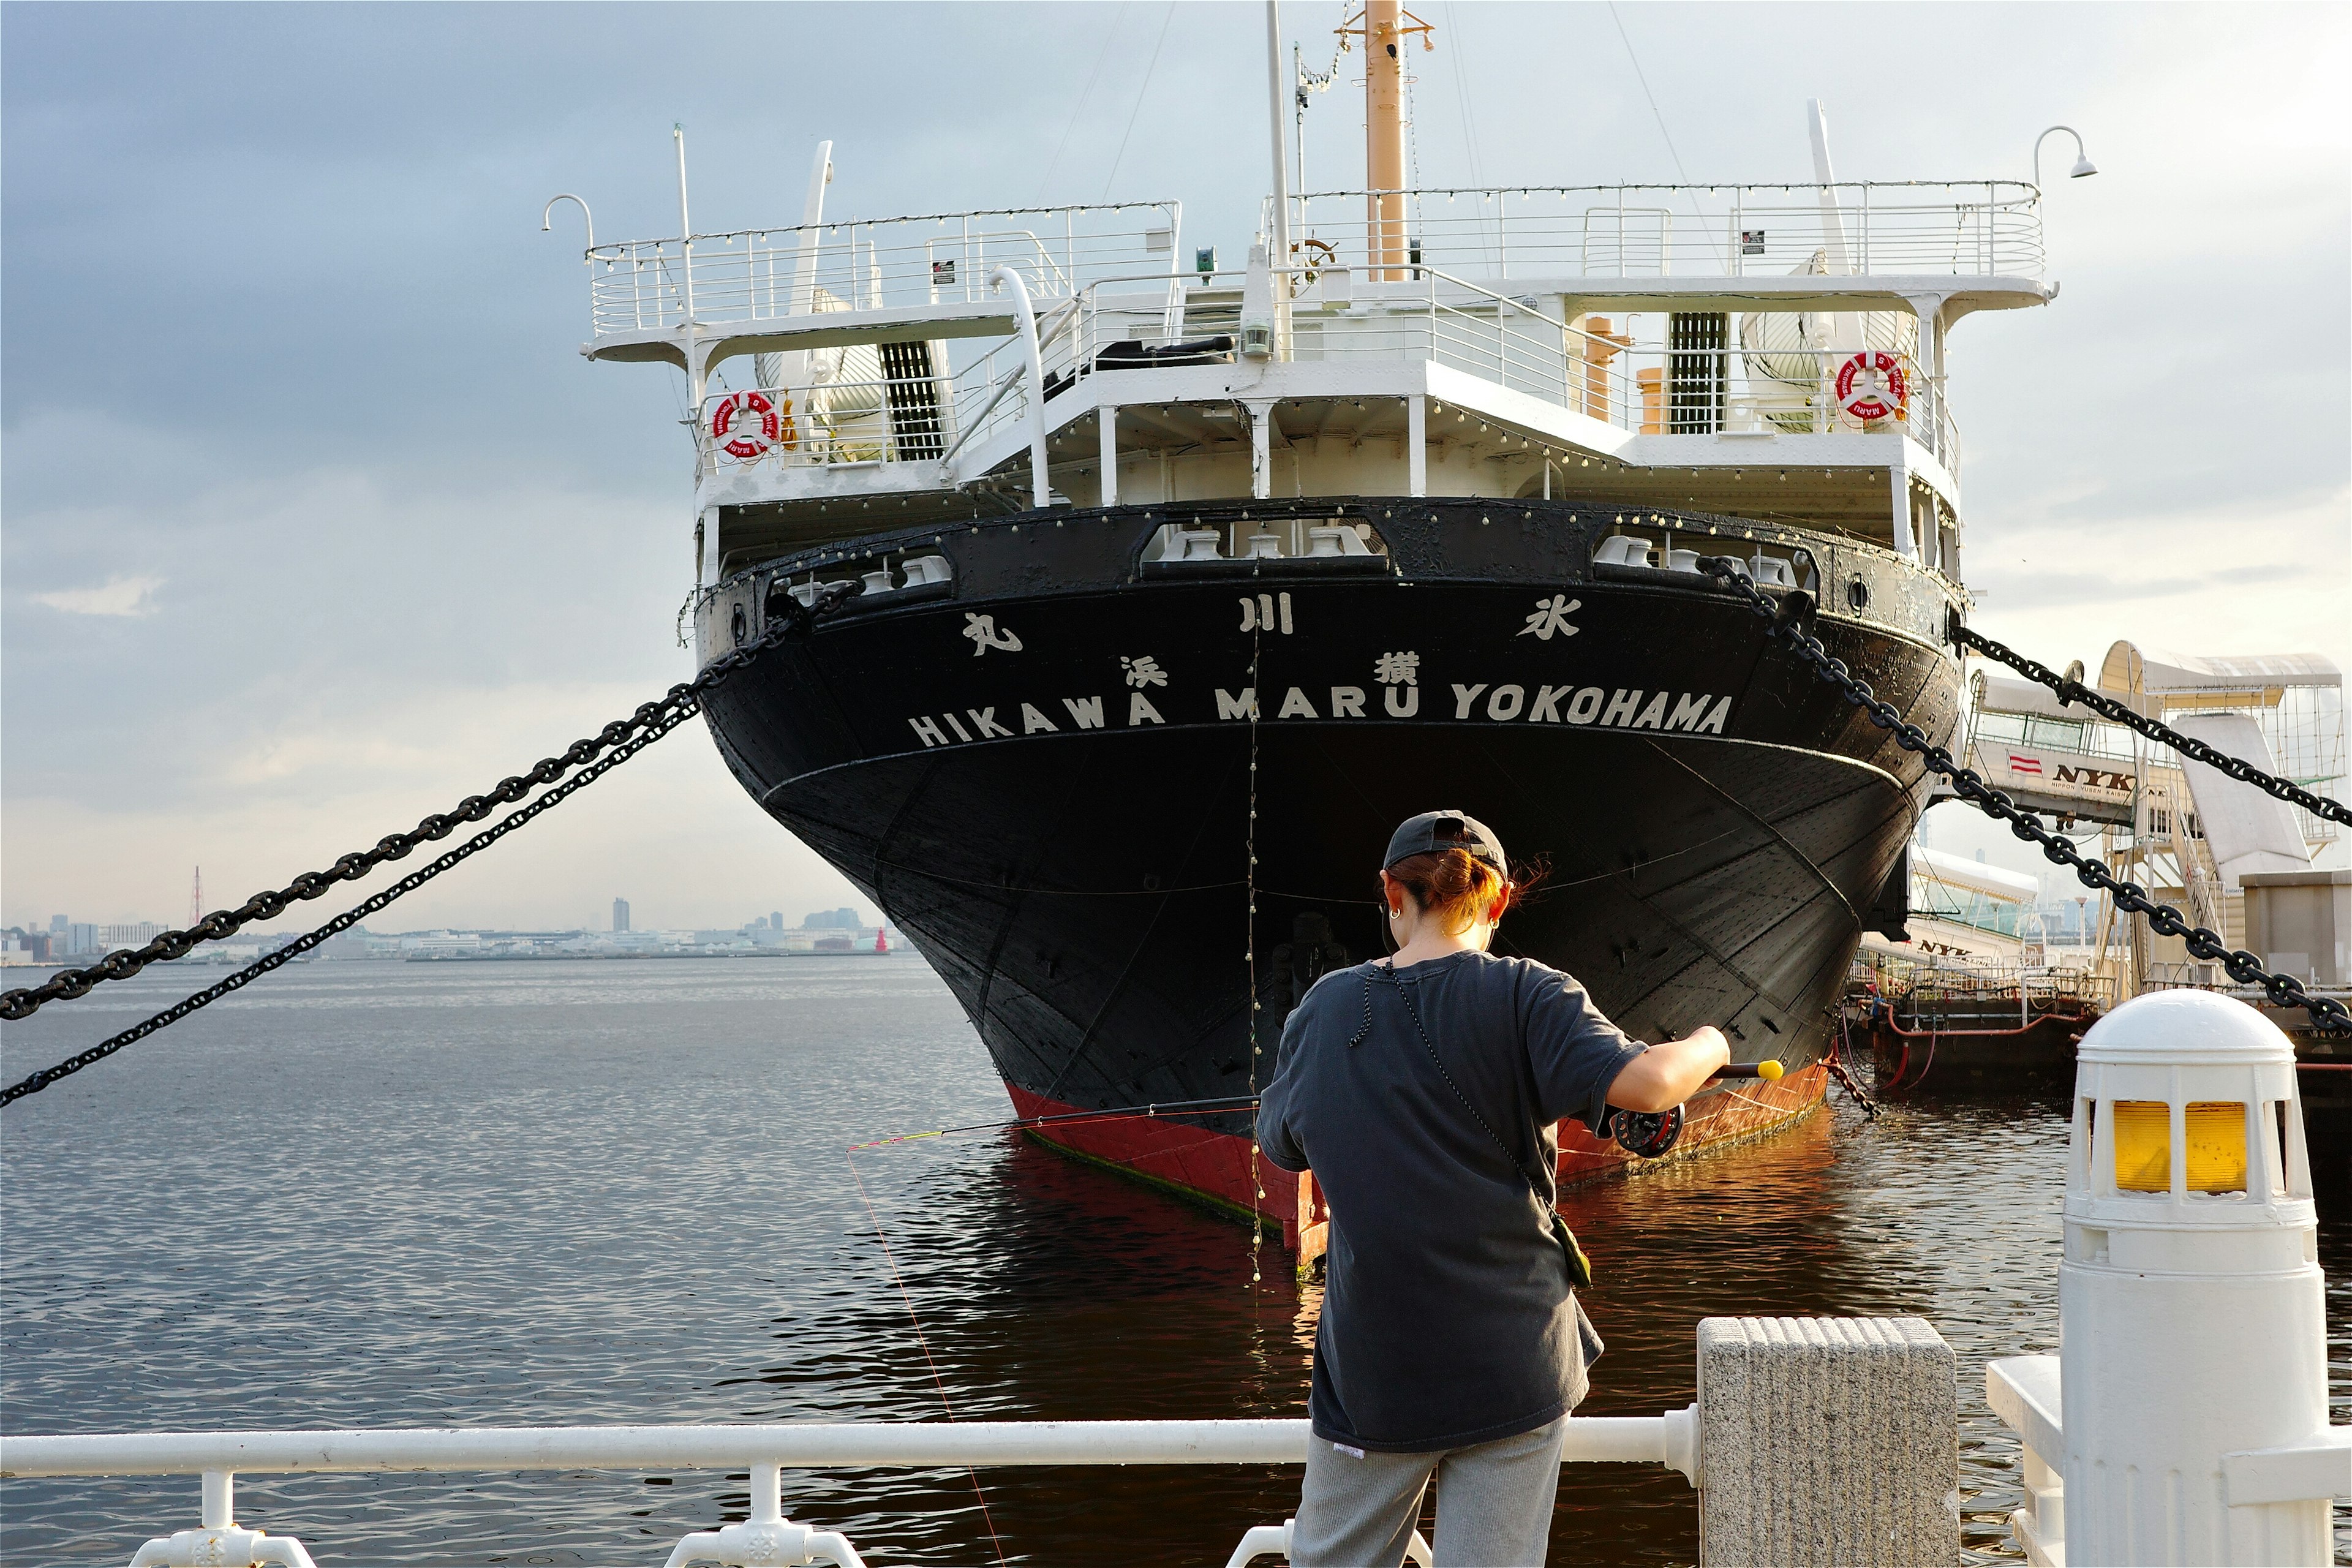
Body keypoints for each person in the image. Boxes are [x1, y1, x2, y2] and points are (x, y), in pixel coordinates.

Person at [1257, 809, 1729, 1568]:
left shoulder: (1325, 1008)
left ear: (1390, 892)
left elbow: (1280, 1142)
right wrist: (1713, 1041)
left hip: (1374, 1375)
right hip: (1514, 1363)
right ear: (1501, 899)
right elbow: (1646, 1085)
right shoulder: (1530, 994)